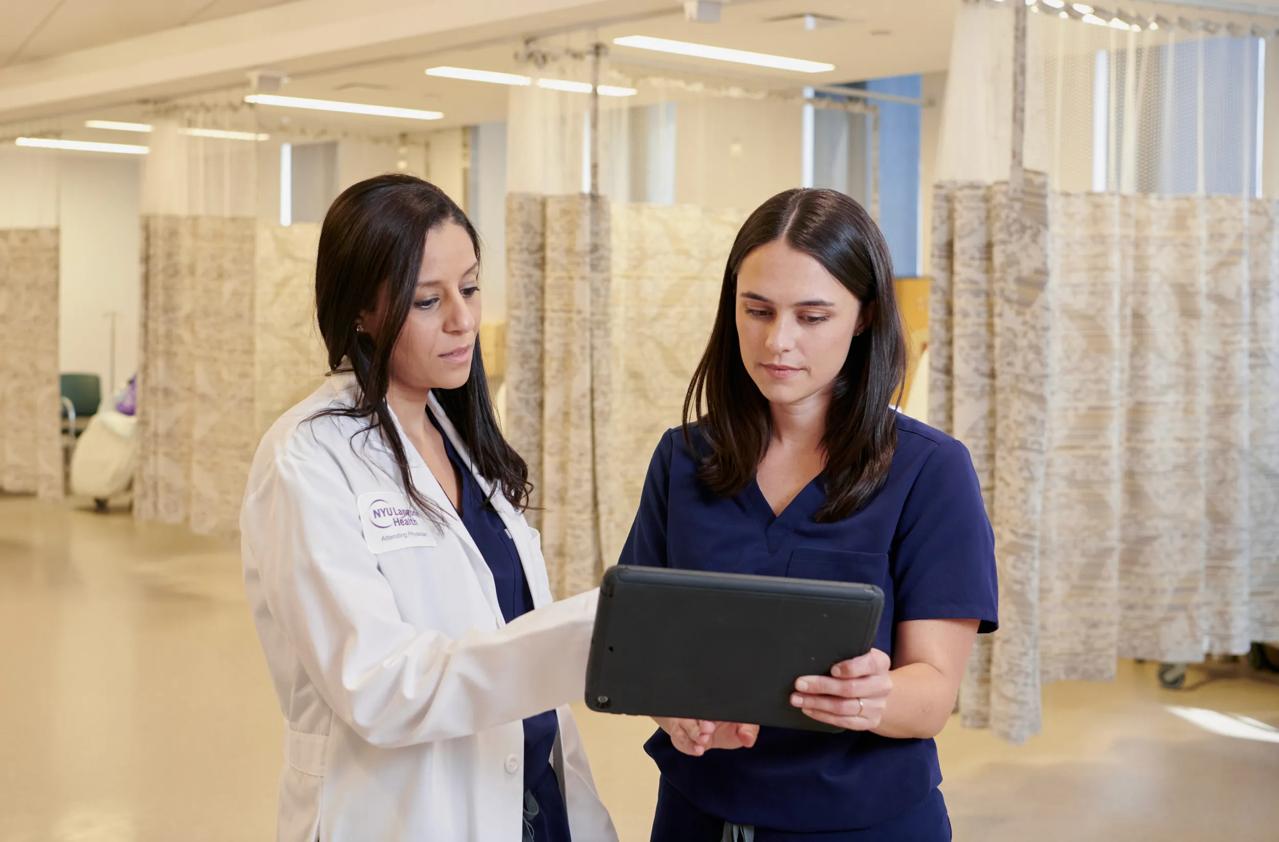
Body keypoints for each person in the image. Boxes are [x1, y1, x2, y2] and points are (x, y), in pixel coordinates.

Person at [240, 174, 617, 842]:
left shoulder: (457, 435)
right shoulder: (307, 458)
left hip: (531, 800)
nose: (463, 320)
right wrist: (581, 637)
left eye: (470, 289)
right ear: (362, 309)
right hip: (408, 814)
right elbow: (377, 685)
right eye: (426, 300)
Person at [618, 188, 998, 841]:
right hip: (698, 813)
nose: (778, 341)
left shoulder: (929, 471)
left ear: (863, 317)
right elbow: (642, 649)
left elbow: (932, 694)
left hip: (861, 821)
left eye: (811, 316)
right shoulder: (682, 460)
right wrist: (668, 706)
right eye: (757, 310)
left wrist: (873, 696)